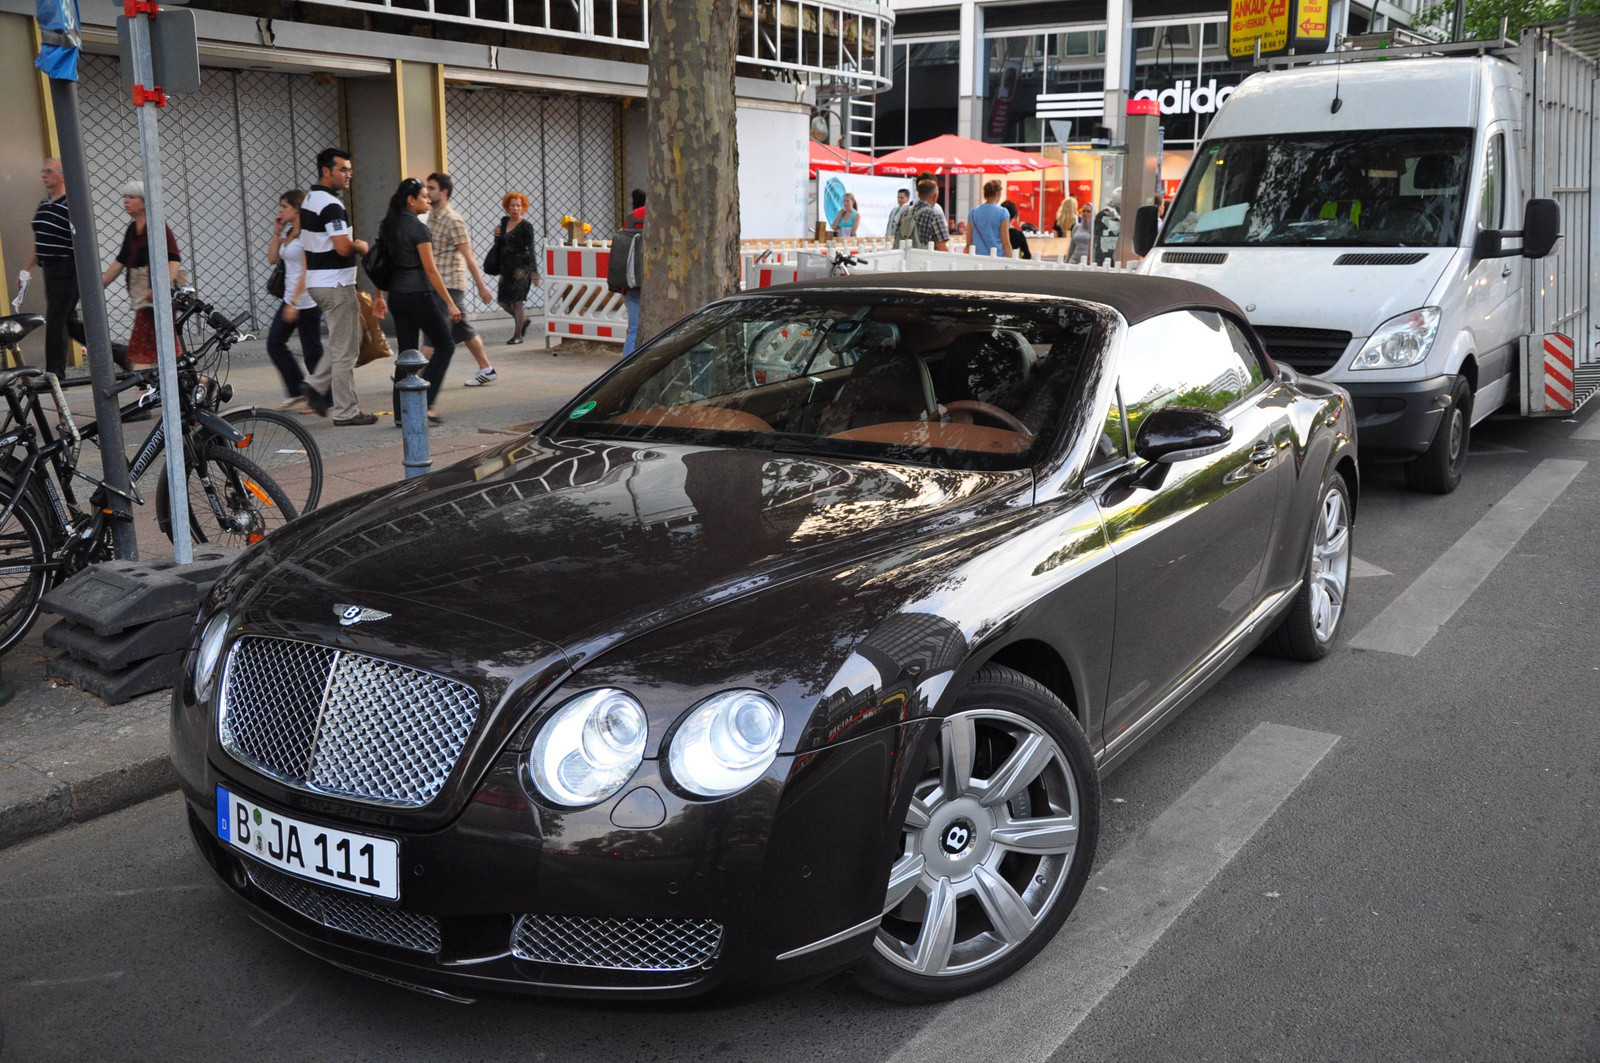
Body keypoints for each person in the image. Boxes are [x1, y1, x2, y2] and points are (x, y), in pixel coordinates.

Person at [298, 148, 375, 426]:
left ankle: (315, 384)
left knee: (343, 342)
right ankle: (346, 412)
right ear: (326, 171)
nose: (348, 175)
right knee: (346, 351)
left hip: (320, 282)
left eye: (350, 170)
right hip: (336, 283)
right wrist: (362, 246)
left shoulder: (310, 199)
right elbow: (343, 247)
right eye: (343, 170)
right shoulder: (330, 205)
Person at [374, 178, 459, 426]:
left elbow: (382, 267)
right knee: (445, 346)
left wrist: (379, 297)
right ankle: (425, 405)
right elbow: (431, 271)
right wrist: (451, 304)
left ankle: (401, 414)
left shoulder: (389, 226)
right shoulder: (418, 229)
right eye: (423, 196)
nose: (428, 200)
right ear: (411, 200)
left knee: (408, 354)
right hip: (418, 295)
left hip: (397, 297)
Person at [99, 180, 180, 382]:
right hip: (144, 299)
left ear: (144, 202)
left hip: (155, 300)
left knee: (141, 350)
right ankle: (198, 385)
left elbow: (173, 260)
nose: (126, 201)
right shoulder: (133, 229)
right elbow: (121, 261)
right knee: (163, 350)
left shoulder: (157, 226)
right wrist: (99, 285)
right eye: (125, 197)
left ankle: (142, 399)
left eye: (132, 197)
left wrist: (160, 288)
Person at [424, 172, 498, 387]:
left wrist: (482, 287)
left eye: (431, 188)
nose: (427, 192)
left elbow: (469, 256)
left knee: (432, 332)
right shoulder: (431, 216)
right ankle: (487, 368)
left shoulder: (454, 219)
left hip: (449, 284)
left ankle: (414, 374)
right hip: (438, 283)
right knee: (464, 328)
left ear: (444, 192)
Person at [17, 158, 85, 378]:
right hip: (50, 271)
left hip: (67, 268)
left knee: (56, 320)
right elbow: (41, 240)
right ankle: (118, 353)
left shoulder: (70, 205)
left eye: (49, 171)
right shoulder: (45, 204)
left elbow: (80, 240)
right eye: (43, 170)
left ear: (62, 176)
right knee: (68, 322)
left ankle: (54, 373)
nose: (44, 175)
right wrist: (27, 269)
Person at [264, 190, 322, 409]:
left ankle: (323, 398)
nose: (280, 211)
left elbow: (307, 270)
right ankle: (298, 390)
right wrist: (276, 232)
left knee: (312, 352)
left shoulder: (307, 234)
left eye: (284, 207)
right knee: (274, 344)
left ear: (297, 208)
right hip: (290, 299)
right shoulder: (288, 233)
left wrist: (295, 302)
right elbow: (272, 258)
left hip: (306, 301)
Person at [494, 191, 538, 345]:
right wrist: (496, 235)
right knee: (502, 301)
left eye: (518, 205)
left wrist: (534, 273)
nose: (515, 208)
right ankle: (523, 320)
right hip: (506, 267)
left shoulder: (526, 226)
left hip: (521, 268)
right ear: (507, 207)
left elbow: (531, 249)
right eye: (512, 205)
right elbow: (500, 244)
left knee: (517, 300)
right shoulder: (504, 222)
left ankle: (518, 335)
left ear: (523, 208)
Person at [894, 178, 950, 251]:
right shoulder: (935, 216)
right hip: (926, 260)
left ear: (919, 194)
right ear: (935, 196)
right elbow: (941, 245)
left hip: (906, 258)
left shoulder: (906, 212)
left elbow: (897, 235)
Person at [965, 180, 1011, 257]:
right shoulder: (1003, 213)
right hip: (996, 257)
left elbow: (969, 242)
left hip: (977, 257)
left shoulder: (973, 212)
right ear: (999, 192)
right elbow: (1006, 243)